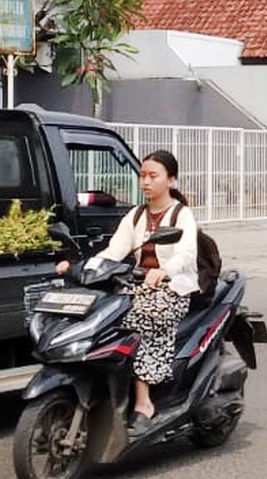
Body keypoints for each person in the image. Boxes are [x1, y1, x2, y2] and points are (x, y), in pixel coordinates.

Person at [55, 150, 199, 431]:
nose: (145, 181)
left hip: (173, 291)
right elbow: (113, 252)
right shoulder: (135, 215)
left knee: (140, 319)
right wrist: (79, 267)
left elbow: (186, 253)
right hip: (135, 286)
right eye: (142, 175)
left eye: (153, 176)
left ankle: (144, 399)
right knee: (100, 315)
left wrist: (164, 271)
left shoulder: (182, 215)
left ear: (170, 180)